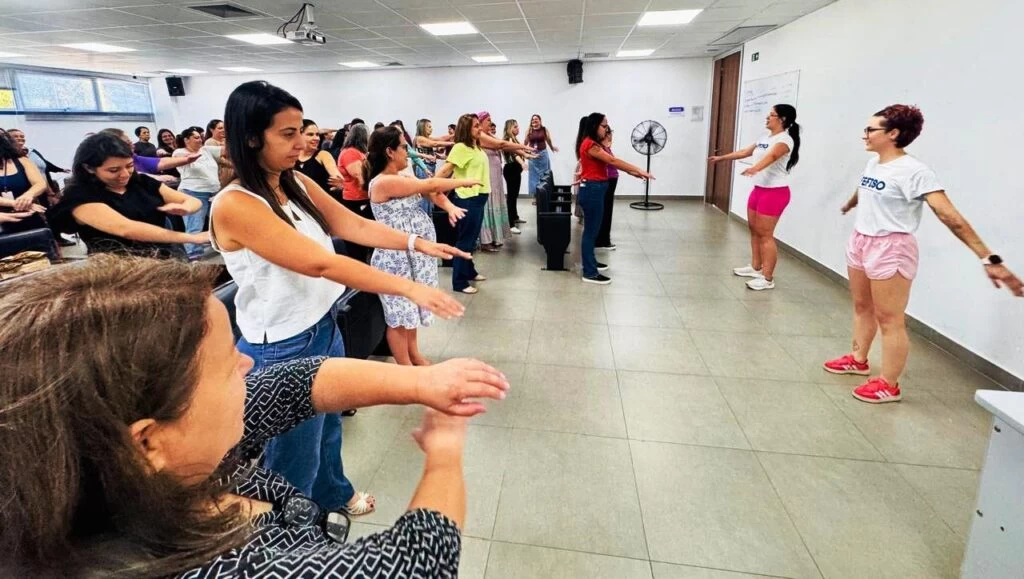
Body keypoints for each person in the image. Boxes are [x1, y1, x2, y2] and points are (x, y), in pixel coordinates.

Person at [0, 254, 511, 577]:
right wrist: (444, 454)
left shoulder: (144, 472)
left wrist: (420, 382)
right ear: (147, 442)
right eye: (227, 364)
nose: (248, 363)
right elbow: (415, 561)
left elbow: (296, 381)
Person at [209, 81, 469, 517]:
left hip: (322, 326)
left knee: (329, 431)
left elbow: (352, 226)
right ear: (252, 137)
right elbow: (319, 264)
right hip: (283, 347)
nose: (302, 143)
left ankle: (333, 494)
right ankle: (294, 536)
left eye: (302, 131)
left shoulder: (291, 183)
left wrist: (416, 244)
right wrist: (407, 286)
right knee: (294, 458)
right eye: (287, 135)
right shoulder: (235, 204)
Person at [822, 104, 1023, 403]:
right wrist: (851, 203)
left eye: (870, 129)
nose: (864, 134)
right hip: (861, 241)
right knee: (862, 306)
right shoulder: (875, 163)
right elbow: (865, 188)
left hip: (892, 247)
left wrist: (988, 258)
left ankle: (889, 385)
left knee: (889, 318)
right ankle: (858, 359)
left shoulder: (915, 172)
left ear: (893, 134)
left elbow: (949, 216)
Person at [366, 126, 476, 365]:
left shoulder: (404, 175)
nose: (409, 152)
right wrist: (462, 181)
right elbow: (427, 186)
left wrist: (450, 207)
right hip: (396, 258)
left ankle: (414, 353)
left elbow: (432, 192)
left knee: (413, 307)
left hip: (415, 255)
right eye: (404, 147)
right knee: (400, 314)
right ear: (389, 152)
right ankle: (405, 366)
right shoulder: (383, 182)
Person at [48, 133, 208, 258]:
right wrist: (191, 238)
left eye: (129, 166)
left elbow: (192, 200)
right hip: (120, 270)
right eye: (113, 170)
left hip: (165, 258)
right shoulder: (79, 197)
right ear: (89, 168)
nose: (125, 174)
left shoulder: (141, 182)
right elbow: (127, 229)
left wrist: (185, 208)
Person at [709, 104, 802, 291]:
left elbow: (774, 155)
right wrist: (721, 159)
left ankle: (768, 278)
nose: (767, 118)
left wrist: (755, 168)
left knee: (766, 235)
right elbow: (745, 152)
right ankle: (755, 267)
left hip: (775, 192)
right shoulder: (764, 138)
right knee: (754, 230)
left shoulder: (785, 140)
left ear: (782, 119)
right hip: (759, 190)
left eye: (772, 115)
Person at [577, 112, 654, 285]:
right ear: (595, 126)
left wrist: (632, 173)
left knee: (593, 231)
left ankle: (591, 262)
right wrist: (638, 169)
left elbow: (608, 163)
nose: (607, 129)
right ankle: (589, 272)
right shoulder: (591, 145)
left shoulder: (594, 144)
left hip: (595, 189)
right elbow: (612, 160)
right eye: (604, 126)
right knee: (590, 232)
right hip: (592, 190)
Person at [174, 126, 223, 260]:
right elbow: (189, 158)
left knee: (219, 223)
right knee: (194, 226)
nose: (200, 140)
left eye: (200, 137)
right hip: (193, 193)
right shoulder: (179, 152)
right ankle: (194, 255)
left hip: (213, 193)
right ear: (186, 140)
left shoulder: (206, 150)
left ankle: (223, 246)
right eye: (196, 137)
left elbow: (225, 151)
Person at [337, 123, 374, 263]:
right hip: (355, 200)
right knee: (358, 240)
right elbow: (360, 177)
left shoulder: (359, 153)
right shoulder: (350, 153)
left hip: (362, 198)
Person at [0, 132, 49, 235]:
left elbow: (40, 183)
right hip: (4, 219)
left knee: (41, 246)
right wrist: (16, 203)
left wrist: (28, 195)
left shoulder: (22, 161)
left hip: (30, 214)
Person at [479, 116, 510, 250]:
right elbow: (501, 145)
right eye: (488, 120)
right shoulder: (480, 136)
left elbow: (503, 144)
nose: (490, 122)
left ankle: (496, 237)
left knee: (496, 204)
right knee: (488, 206)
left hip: (496, 178)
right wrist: (523, 148)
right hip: (488, 178)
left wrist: (525, 153)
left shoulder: (490, 135)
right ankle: (486, 240)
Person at [297, 119, 345, 202]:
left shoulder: (323, 155)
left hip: (323, 205)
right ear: (299, 136)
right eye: (310, 134)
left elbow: (335, 173)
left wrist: (340, 182)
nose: (316, 138)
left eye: (317, 134)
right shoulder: (291, 158)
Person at [595, 127, 618, 250]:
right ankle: (602, 240)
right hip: (607, 180)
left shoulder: (606, 147)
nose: (610, 135)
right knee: (605, 211)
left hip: (611, 180)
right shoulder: (599, 147)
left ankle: (604, 238)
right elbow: (613, 161)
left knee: (607, 210)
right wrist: (634, 171)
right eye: (608, 132)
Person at [525, 114, 558, 198]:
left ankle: (544, 195)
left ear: (540, 120)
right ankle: (536, 196)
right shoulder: (529, 130)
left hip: (542, 154)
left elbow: (548, 139)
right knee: (533, 176)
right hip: (533, 156)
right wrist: (524, 151)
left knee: (544, 175)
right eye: (533, 119)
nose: (534, 121)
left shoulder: (544, 129)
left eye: (536, 119)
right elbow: (525, 141)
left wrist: (552, 147)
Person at [502, 119, 526, 232]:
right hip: (511, 169)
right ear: (509, 128)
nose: (518, 128)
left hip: (515, 169)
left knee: (514, 195)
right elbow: (514, 154)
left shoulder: (514, 139)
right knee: (511, 197)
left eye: (518, 126)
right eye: (515, 127)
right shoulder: (508, 139)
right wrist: (522, 163)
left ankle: (515, 217)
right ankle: (510, 224)